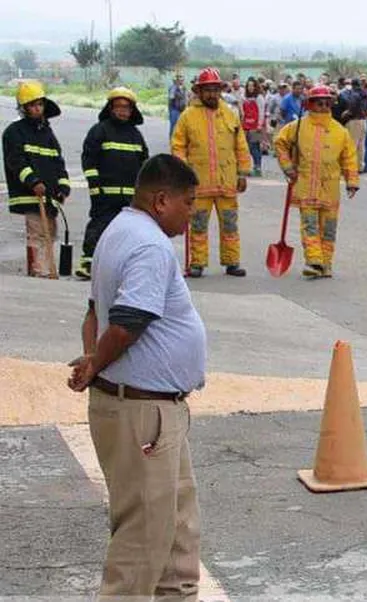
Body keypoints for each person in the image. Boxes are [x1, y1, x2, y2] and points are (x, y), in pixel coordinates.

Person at [67, 153, 206, 599]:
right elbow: (126, 322)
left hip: (157, 410)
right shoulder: (148, 244)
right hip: (143, 412)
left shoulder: (120, 229)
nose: (192, 214)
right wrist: (95, 363)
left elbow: (94, 312)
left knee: (176, 531)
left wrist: (92, 355)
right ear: (162, 200)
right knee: (142, 540)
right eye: (189, 203)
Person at [171, 67, 251, 278]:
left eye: (215, 89)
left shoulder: (230, 114)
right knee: (197, 226)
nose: (212, 94)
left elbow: (241, 146)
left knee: (230, 224)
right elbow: (178, 146)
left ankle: (232, 262)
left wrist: (243, 173)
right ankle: (197, 263)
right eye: (207, 90)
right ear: (199, 91)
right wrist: (183, 171)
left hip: (227, 183)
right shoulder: (188, 116)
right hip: (199, 184)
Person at [274, 85, 360, 280]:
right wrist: (287, 167)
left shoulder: (340, 131)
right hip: (306, 188)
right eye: (319, 103)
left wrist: (351, 181)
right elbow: (279, 143)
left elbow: (349, 157)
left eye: (326, 103)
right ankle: (314, 261)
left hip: (330, 191)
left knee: (328, 230)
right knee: (310, 227)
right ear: (309, 104)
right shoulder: (297, 127)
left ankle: (326, 264)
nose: (323, 106)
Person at [77, 87, 149, 280]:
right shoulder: (100, 130)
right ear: (110, 108)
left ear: (132, 110)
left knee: (129, 232)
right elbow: (89, 159)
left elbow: (144, 163)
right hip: (105, 194)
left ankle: (121, 266)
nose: (122, 111)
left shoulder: (135, 135)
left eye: (126, 107)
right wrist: (94, 185)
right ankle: (88, 263)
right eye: (118, 107)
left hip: (130, 195)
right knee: (99, 226)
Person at [3, 80, 71, 278]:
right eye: (32, 105)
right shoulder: (14, 132)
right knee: (37, 234)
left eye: (39, 104)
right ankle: (37, 271)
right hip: (30, 195)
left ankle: (48, 269)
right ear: (24, 108)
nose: (37, 108)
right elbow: (15, 161)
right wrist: (33, 182)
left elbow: (58, 162)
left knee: (50, 232)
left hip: (48, 196)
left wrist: (63, 188)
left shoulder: (47, 133)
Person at [241, 78, 267, 177]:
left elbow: (261, 112)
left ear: (256, 86)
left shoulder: (259, 97)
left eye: (252, 85)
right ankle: (252, 167)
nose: (250, 87)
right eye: (248, 85)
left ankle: (258, 167)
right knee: (248, 148)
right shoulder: (245, 97)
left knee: (255, 147)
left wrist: (260, 125)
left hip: (256, 126)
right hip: (246, 126)